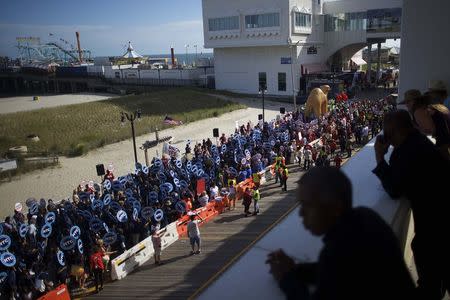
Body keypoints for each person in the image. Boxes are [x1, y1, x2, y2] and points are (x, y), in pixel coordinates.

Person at [266, 167, 416, 300]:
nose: (301, 213)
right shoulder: (366, 217)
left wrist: (286, 278)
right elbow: (340, 274)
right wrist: (296, 270)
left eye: (308, 205)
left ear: (335, 207)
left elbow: (335, 269)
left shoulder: (337, 250)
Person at [373, 110, 450, 299]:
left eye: (388, 133)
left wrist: (379, 157)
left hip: (436, 229)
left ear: (396, 132)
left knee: (430, 282)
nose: (387, 138)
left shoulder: (405, 153)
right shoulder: (419, 142)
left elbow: (394, 189)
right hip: (441, 221)